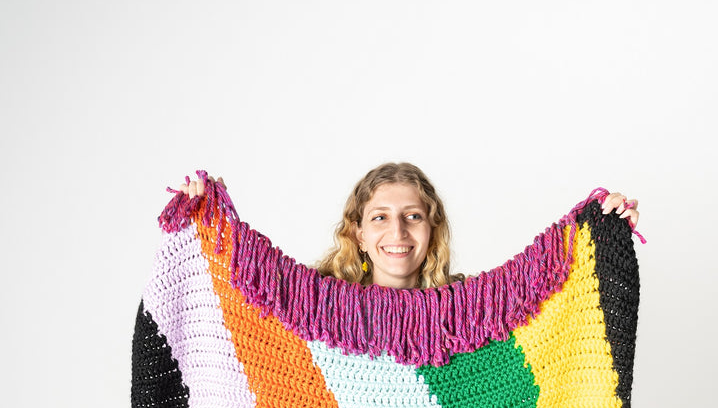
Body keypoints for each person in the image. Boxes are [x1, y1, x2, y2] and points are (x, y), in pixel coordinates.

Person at [176, 164, 639, 291]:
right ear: (358, 233)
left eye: (412, 217)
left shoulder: (469, 314)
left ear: (432, 229)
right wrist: (212, 222)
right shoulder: (315, 308)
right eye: (379, 217)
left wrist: (600, 233)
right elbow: (246, 287)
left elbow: (546, 289)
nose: (397, 232)